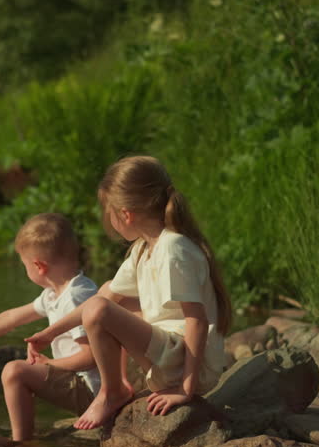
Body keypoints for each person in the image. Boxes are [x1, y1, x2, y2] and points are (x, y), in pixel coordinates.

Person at [25, 155, 231, 429]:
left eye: (109, 211)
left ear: (125, 213)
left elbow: (197, 320)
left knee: (99, 310)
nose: (108, 219)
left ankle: (111, 392)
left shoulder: (174, 248)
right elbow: (104, 299)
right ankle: (119, 383)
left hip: (187, 364)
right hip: (170, 353)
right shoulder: (144, 249)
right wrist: (49, 333)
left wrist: (186, 388)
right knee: (108, 293)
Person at [0, 213, 100, 443]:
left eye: (24, 265)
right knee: (19, 369)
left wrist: (49, 363)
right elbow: (13, 317)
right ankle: (23, 439)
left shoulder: (75, 297)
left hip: (92, 390)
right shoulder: (56, 293)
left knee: (15, 372)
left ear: (39, 266)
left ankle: (20, 444)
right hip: (79, 382)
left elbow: (91, 357)